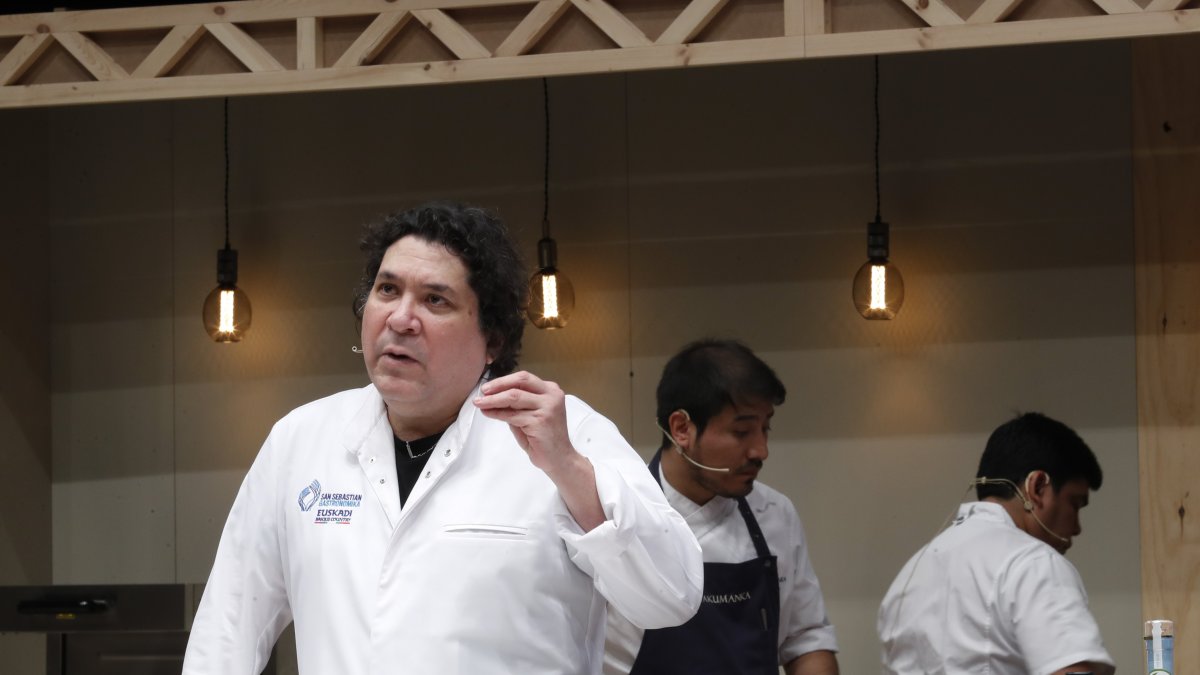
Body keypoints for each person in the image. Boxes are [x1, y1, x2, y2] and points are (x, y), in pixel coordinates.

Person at [182, 202, 703, 675]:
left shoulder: (568, 433)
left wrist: (570, 470)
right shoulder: (302, 439)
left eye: (435, 300)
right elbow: (228, 629)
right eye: (388, 290)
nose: (401, 318)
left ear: (492, 340)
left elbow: (671, 596)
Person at [605, 339, 840, 675]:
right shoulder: (613, 517)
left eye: (765, 428)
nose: (761, 450)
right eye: (742, 431)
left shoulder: (775, 514)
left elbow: (806, 639)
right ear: (681, 428)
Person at [877, 412, 1115, 675]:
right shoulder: (1034, 563)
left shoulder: (910, 576)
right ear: (1037, 486)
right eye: (1074, 503)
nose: (1077, 528)